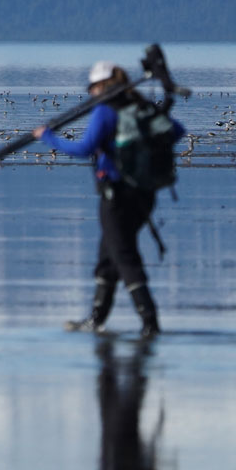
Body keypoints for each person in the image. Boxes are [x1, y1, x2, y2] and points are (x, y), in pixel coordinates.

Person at [33, 61, 184, 338]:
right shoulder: (140, 106)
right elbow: (176, 131)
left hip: (115, 198)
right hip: (144, 195)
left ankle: (150, 323)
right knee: (108, 256)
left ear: (101, 86)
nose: (91, 93)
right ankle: (96, 319)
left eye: (92, 88)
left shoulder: (105, 111)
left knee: (124, 256)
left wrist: (48, 137)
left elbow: (84, 149)